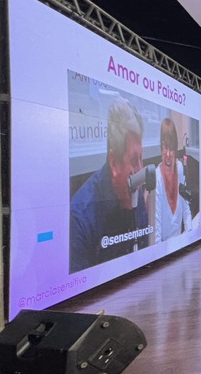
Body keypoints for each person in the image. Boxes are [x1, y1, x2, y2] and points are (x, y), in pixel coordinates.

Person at [69, 97, 151, 272]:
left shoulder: (137, 193)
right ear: (114, 163)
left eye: (141, 159)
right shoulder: (80, 217)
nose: (140, 170)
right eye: (134, 160)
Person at [153, 117, 192, 243]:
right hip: (164, 250)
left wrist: (191, 235)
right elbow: (156, 224)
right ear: (160, 148)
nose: (168, 154)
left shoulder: (179, 168)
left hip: (179, 245)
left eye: (171, 148)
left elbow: (186, 206)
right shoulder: (156, 177)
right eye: (165, 148)